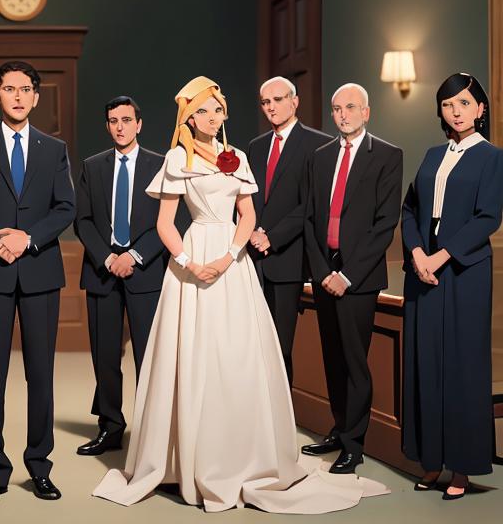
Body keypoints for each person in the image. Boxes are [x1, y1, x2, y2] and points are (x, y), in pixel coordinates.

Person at [93, 76, 386, 513]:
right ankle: (185, 458)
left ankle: (244, 456)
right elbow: (164, 225)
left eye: (217, 110)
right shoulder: (176, 158)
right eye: (203, 112)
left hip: (232, 263)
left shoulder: (237, 157)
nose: (212, 118)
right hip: (191, 262)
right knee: (193, 355)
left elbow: (247, 215)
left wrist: (230, 256)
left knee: (238, 357)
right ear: (189, 118)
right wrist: (190, 262)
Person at [0, 61, 75, 508]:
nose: (19, 97)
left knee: (40, 375)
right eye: (10, 89)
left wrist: (28, 240)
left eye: (26, 89)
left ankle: (40, 467)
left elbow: (65, 207)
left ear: (37, 97)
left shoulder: (53, 149)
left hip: (41, 271)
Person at [401, 73, 502, 500]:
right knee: (426, 362)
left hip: (464, 271)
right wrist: (418, 254)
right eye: (447, 105)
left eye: (464, 103)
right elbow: (410, 209)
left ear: (480, 109)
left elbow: (488, 217)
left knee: (462, 367)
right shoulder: (431, 155)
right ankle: (432, 461)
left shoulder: (492, 157)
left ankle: (462, 468)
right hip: (423, 269)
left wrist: (442, 256)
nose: (455, 111)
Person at [301, 83, 402, 474]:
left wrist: (347, 275)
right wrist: (323, 272)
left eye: (350, 108)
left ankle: (354, 444)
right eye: (336, 109)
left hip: (358, 278)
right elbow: (311, 219)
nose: (342, 115)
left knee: (355, 360)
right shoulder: (321, 156)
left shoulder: (387, 155)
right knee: (332, 357)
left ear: (366, 112)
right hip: (326, 274)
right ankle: (339, 428)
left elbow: (384, 224)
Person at [73, 96, 166, 456]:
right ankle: (111, 426)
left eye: (126, 119)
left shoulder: (160, 166)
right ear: (107, 126)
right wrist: (108, 258)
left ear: (138, 124)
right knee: (106, 356)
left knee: (149, 355)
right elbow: (82, 220)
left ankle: (151, 431)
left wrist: (135, 256)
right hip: (102, 273)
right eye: (113, 121)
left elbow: (167, 222)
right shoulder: (92, 166)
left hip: (146, 274)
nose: (120, 126)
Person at [247, 77, 331, 383]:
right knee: (254, 347)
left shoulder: (318, 144)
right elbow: (249, 197)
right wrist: (252, 232)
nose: (271, 107)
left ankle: (282, 421)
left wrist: (271, 236)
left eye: (278, 100)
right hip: (254, 259)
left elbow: (311, 204)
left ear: (294, 102)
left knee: (281, 348)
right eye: (265, 102)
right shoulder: (256, 147)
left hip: (290, 259)